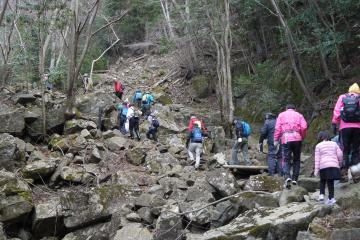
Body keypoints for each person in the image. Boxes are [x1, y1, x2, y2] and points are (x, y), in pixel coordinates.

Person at [332, 83, 360, 182]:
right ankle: (355, 175)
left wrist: (334, 123)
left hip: (344, 127)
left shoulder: (342, 97)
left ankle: (343, 174)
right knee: (356, 151)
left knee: (345, 150)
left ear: (349, 90)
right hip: (358, 128)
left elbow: (337, 111)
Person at [274, 104, 307, 188]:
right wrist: (301, 136)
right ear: (295, 109)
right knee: (297, 159)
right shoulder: (299, 115)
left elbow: (277, 128)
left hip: (286, 138)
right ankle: (295, 178)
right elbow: (304, 127)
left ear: (286, 108)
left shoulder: (281, 115)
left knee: (286, 159)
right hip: (297, 138)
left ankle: (288, 176)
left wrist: (276, 139)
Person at [314, 131, 342, 205]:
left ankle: (321, 195)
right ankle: (331, 198)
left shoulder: (318, 146)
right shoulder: (334, 144)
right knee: (330, 182)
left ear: (320, 138)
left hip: (323, 166)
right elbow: (340, 154)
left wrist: (316, 171)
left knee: (322, 180)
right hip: (333, 165)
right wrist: (339, 163)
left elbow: (317, 159)